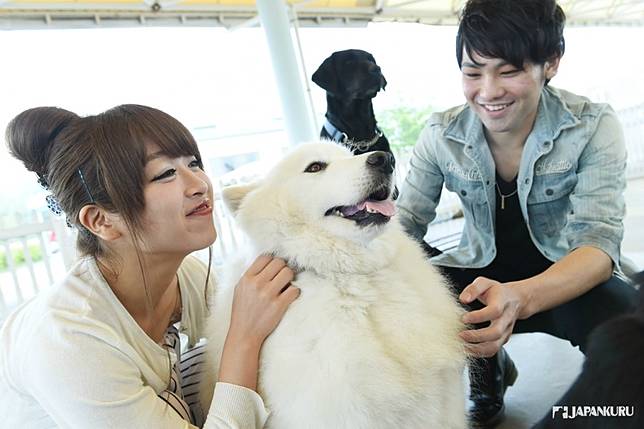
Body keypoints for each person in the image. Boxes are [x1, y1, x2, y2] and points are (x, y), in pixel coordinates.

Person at [396, 0, 638, 427]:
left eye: (509, 71)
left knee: (632, 337)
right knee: (396, 302)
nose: (488, 92)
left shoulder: (592, 125)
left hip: (564, 274)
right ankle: (486, 370)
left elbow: (598, 244)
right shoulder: (440, 135)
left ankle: (580, 412)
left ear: (551, 64)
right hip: (476, 275)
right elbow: (403, 227)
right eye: (473, 72)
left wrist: (520, 296)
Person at [0, 104, 300, 428]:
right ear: (101, 221)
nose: (199, 184)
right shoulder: (69, 340)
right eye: (165, 174)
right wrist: (244, 335)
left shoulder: (189, 278)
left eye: (193, 163)